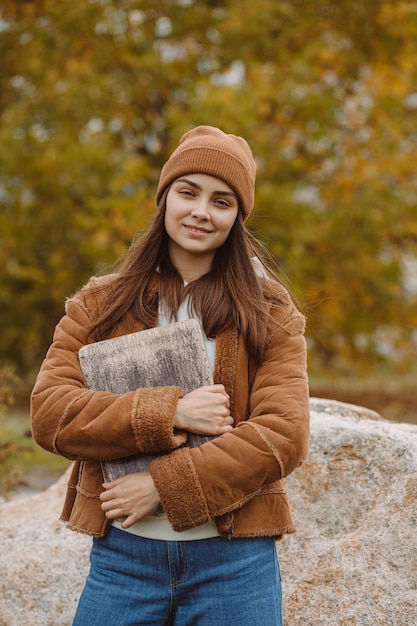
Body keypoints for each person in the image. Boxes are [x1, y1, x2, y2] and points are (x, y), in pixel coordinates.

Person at [31, 125, 310, 626]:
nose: (202, 211)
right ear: (164, 201)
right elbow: (51, 413)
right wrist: (170, 411)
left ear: (236, 218)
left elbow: (283, 436)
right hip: (123, 561)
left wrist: (163, 485)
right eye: (188, 192)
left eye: (222, 201)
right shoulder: (100, 303)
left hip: (236, 563)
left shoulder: (269, 312)